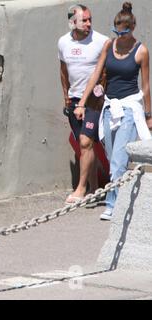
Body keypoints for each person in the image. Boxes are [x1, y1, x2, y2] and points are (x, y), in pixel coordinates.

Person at [77, 2, 152, 220]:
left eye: (125, 31)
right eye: (117, 31)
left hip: (129, 108)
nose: (121, 35)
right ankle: (125, 196)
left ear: (133, 28)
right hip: (110, 107)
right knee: (113, 159)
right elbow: (96, 73)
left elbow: (145, 86)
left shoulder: (141, 50)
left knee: (119, 161)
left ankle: (113, 205)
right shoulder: (109, 45)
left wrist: (149, 115)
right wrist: (82, 102)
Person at [58, 4, 109, 204]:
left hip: (95, 100)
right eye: (84, 20)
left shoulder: (102, 41)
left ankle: (81, 189)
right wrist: (66, 97)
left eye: (90, 19)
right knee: (84, 145)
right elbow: (63, 72)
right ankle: (95, 189)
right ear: (72, 22)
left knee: (86, 141)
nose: (88, 23)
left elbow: (106, 72)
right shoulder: (63, 42)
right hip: (74, 99)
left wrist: (100, 93)